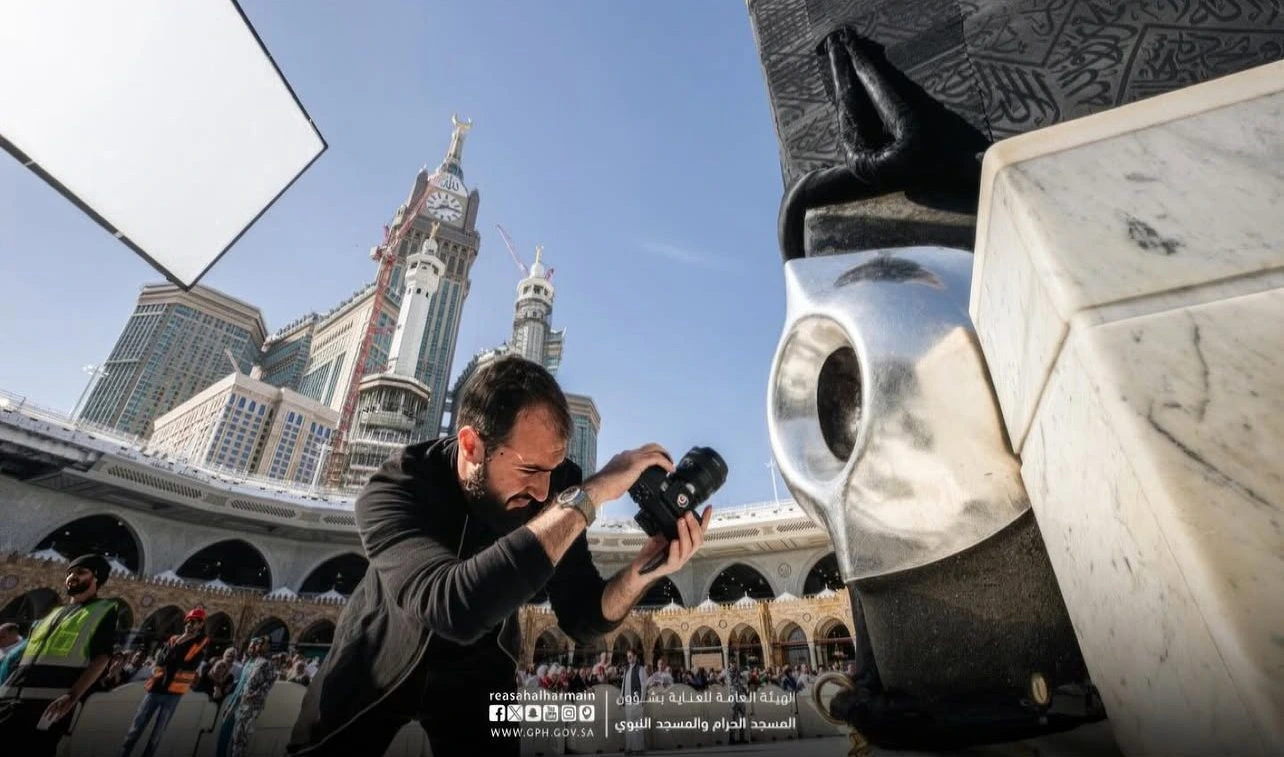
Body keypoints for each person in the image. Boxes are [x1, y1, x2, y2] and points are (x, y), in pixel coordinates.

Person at [288, 355, 713, 756]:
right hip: (375, 661)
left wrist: (646, 569)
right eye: (529, 471)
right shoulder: (397, 489)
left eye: (553, 473)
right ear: (472, 445)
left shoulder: (553, 491)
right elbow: (453, 607)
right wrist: (594, 493)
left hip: (481, 672)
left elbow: (582, 617)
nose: (544, 493)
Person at [0, 554, 120, 757]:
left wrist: (73, 696)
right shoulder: (54, 613)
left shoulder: (102, 611)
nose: (72, 576)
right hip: (10, 699)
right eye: (70, 572)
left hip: (47, 705)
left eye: (81, 572)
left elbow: (102, 658)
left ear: (97, 578)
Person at [118, 607, 209, 757]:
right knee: (135, 730)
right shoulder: (174, 639)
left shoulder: (200, 645)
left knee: (156, 735)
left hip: (173, 693)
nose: (190, 624)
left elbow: (186, 663)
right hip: (156, 688)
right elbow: (160, 658)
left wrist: (178, 648)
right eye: (188, 621)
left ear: (200, 625)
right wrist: (177, 645)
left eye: (195, 622)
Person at [215, 637, 276, 757]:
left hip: (249, 705)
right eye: (251, 645)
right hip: (235, 700)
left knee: (239, 737)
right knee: (225, 729)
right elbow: (242, 681)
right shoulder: (248, 662)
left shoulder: (266, 664)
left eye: (256, 645)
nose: (252, 647)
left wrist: (254, 695)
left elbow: (269, 683)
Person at [620, 648, 649, 755]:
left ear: (635, 657)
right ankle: (629, 747)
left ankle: (638, 748)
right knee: (629, 724)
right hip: (628, 701)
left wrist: (642, 700)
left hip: (636, 700)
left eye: (631, 656)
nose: (629, 658)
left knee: (637, 724)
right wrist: (621, 697)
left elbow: (643, 685)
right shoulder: (626, 669)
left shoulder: (640, 669)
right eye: (628, 656)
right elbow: (623, 684)